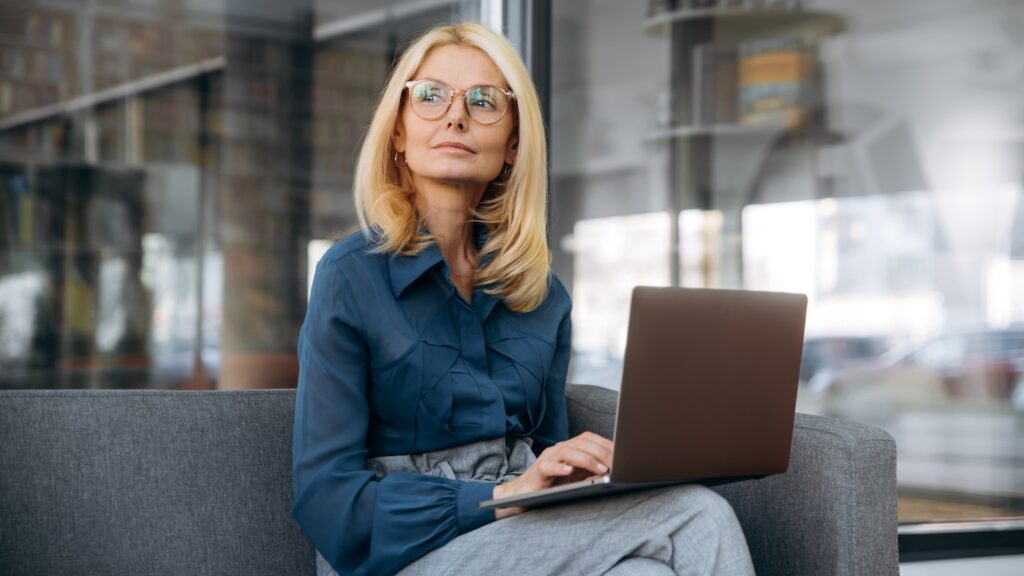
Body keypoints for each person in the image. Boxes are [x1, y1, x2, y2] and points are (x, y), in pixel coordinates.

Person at [291, 22, 755, 576]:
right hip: (397, 552)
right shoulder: (351, 275)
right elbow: (328, 499)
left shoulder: (541, 295)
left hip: (523, 532)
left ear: (513, 144)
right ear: (398, 132)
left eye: (485, 100)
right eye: (430, 96)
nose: (456, 116)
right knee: (696, 516)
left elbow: (549, 452)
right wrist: (506, 494)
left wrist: (575, 473)